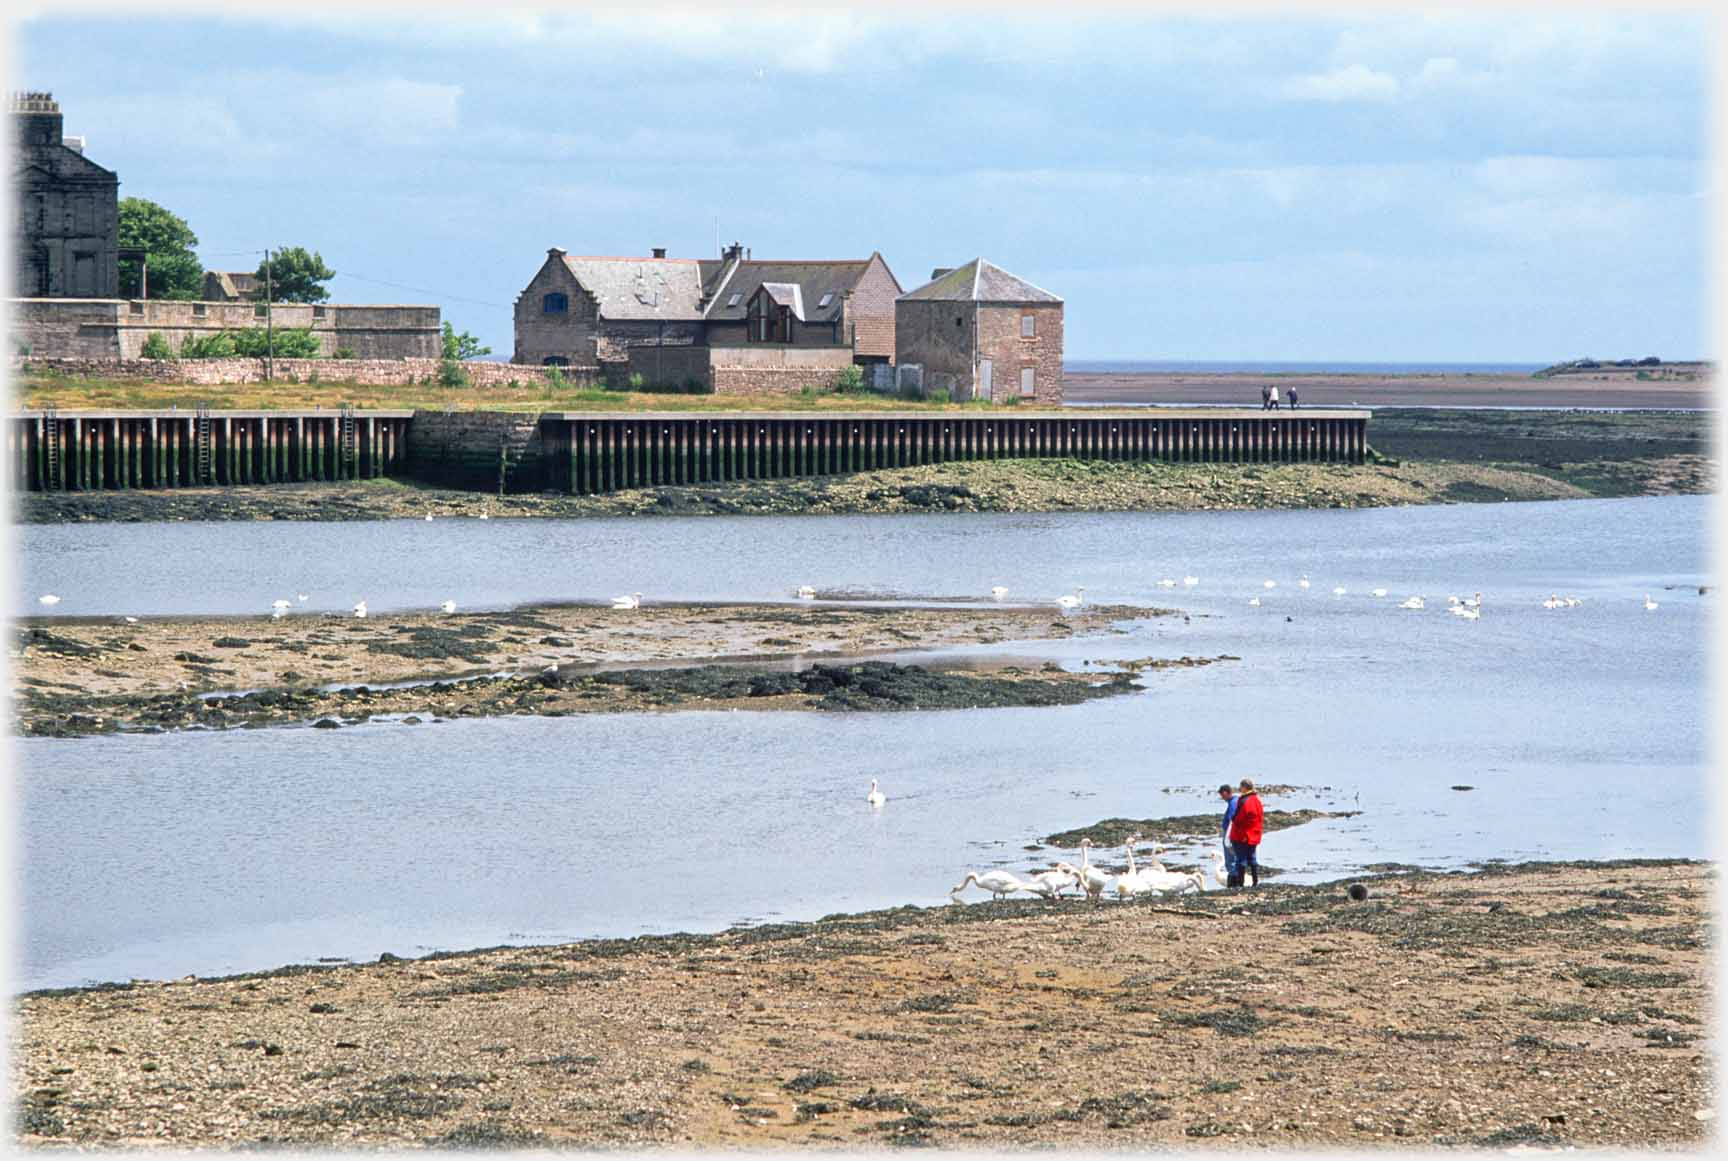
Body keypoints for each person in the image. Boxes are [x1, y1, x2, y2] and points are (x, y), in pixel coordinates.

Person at [1227, 777, 1264, 887]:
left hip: (1242, 835)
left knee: (1241, 860)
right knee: (1252, 858)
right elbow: (1260, 817)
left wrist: (1233, 820)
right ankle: (1255, 882)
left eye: (1240, 787)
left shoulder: (1244, 800)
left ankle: (1240, 884)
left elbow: (1238, 819)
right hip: (1255, 834)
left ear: (1244, 787)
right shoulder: (1257, 800)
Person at [1217, 784, 1239, 882]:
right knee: (1233, 857)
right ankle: (1235, 877)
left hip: (1231, 834)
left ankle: (1234, 879)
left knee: (1230, 858)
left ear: (1226, 793)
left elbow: (1232, 820)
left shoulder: (1233, 803)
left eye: (1222, 795)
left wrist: (1228, 837)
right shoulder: (1235, 801)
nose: (1222, 798)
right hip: (1233, 833)